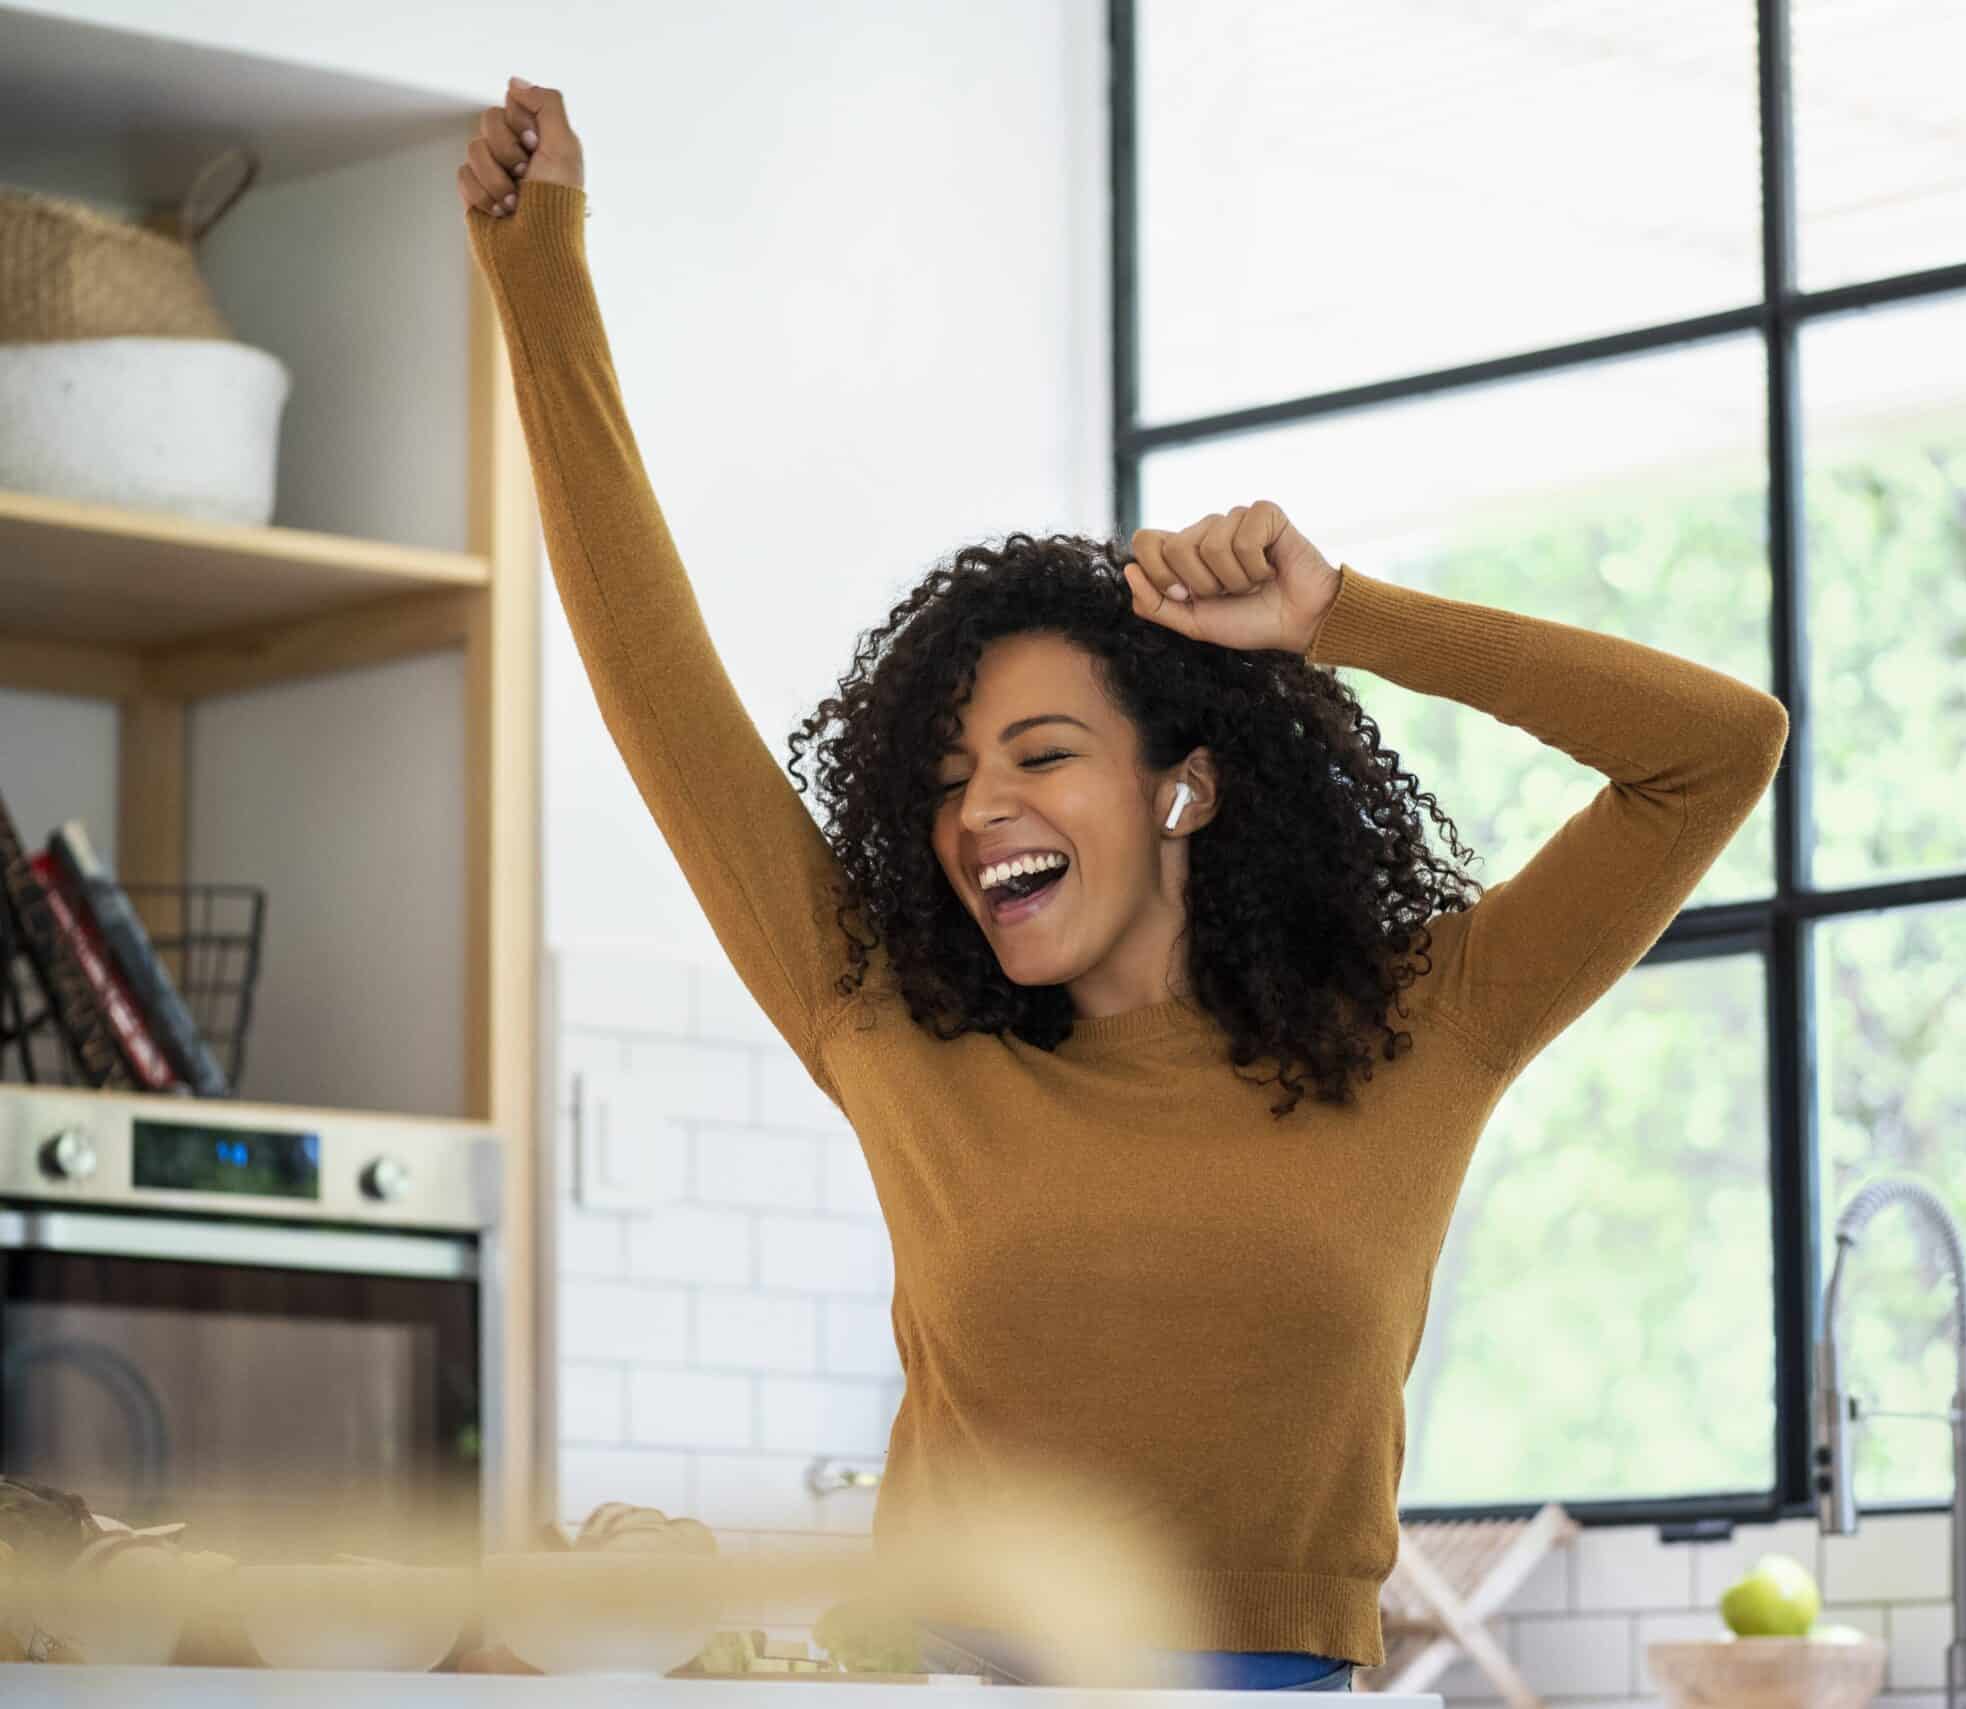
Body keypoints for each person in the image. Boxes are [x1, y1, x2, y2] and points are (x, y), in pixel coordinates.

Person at [457, 78, 1789, 1693]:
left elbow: (1717, 749)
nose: (980, 811)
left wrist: (1342, 614)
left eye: (1038, 755)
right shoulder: (899, 1032)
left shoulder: (1422, 1025)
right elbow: (657, 689)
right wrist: (543, 274)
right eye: (947, 777)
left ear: (1186, 782)